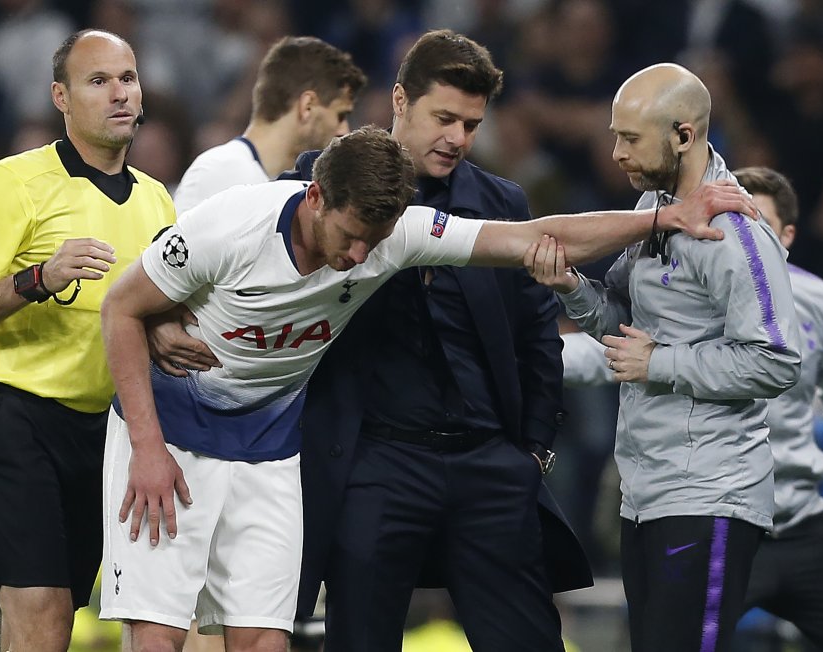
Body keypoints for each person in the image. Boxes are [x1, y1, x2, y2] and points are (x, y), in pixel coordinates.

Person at [99, 125, 756, 652]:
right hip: (170, 437)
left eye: (374, 242)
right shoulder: (229, 224)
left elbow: (537, 238)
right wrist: (148, 449)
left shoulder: (396, 236)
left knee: (265, 640)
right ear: (316, 196)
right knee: (158, 635)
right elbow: (121, 309)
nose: (359, 258)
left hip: (269, 449)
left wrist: (666, 217)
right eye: (351, 237)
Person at [288, 30, 587, 652]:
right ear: (400, 100)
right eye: (444, 118)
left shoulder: (502, 202)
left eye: (471, 124)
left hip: (489, 465)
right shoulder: (324, 180)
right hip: (376, 463)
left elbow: (538, 335)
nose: (457, 138)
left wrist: (532, 451)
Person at [524, 64, 801, 652]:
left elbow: (777, 360)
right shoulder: (656, 208)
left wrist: (662, 363)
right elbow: (623, 332)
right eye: (615, 136)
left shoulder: (734, 233)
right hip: (646, 490)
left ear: (683, 135)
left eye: (630, 138)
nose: (616, 153)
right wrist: (570, 287)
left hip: (710, 493)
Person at [0, 29, 175, 652]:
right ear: (60, 97)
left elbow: (151, 319)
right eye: (99, 81)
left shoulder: (158, 202)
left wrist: (172, 337)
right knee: (41, 617)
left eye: (127, 78)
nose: (119, 94)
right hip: (14, 418)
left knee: (66, 618)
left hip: (105, 430)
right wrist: (37, 279)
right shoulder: (10, 183)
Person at [730, 166, 823, 650]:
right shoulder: (687, 296)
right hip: (719, 523)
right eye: (735, 222)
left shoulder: (816, 299)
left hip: (799, 521)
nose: (747, 238)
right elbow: (606, 354)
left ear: (788, 236)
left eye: (761, 224)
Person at [172, 35, 366, 214]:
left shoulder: (287, 189)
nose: (344, 131)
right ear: (307, 107)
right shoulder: (220, 173)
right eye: (340, 115)